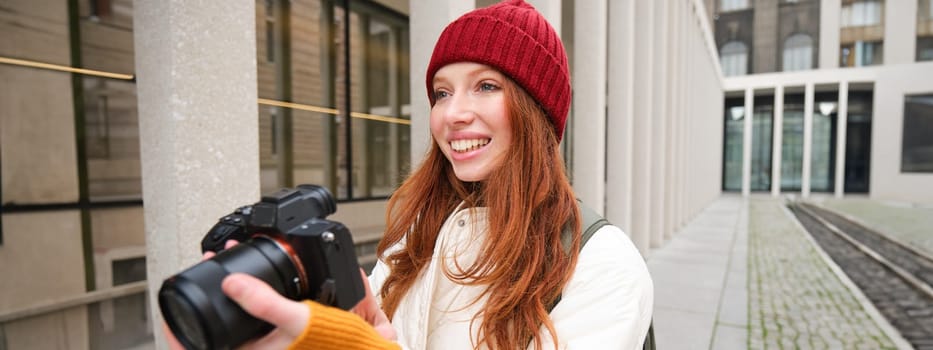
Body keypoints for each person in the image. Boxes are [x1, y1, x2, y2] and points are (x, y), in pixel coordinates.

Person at [170, 0, 653, 349]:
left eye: (485, 86)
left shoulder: (602, 264)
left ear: (537, 113)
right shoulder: (419, 237)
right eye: (442, 93)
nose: (453, 114)